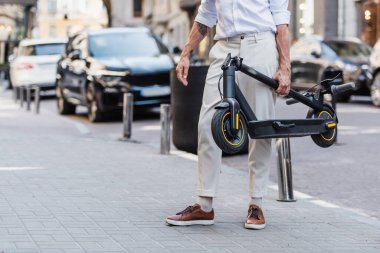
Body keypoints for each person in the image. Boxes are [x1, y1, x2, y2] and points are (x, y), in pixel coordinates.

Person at [166, 0, 291, 230]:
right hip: (224, 47)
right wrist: (185, 53)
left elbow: (281, 20)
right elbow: (206, 15)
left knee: (260, 125)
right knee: (208, 123)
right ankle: (204, 205)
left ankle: (256, 203)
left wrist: (285, 67)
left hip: (260, 43)